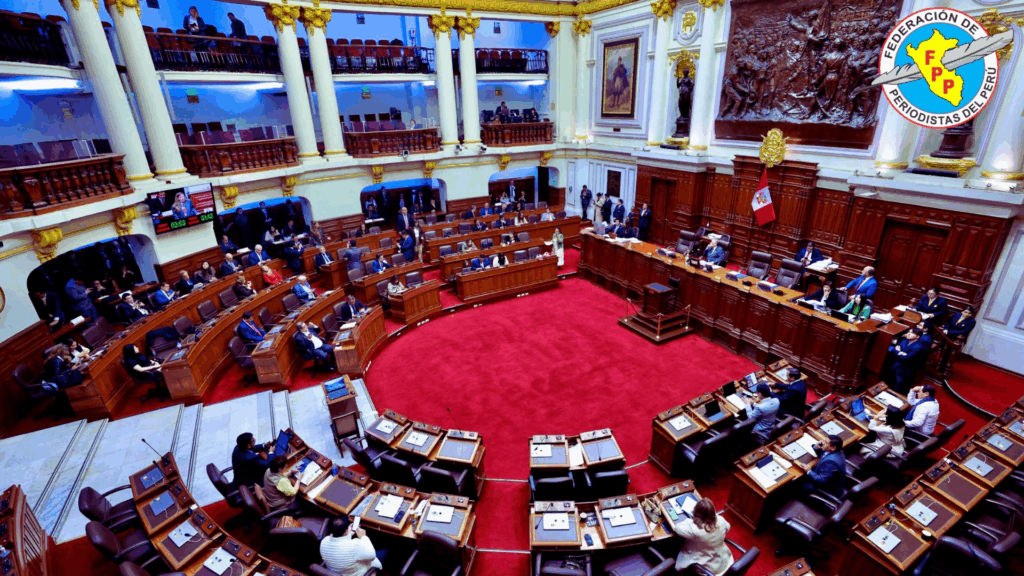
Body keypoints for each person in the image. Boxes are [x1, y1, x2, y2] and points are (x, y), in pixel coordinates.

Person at [673, 497, 734, 575]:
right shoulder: (721, 520)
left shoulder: (695, 530)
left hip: (709, 567)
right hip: (724, 561)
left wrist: (690, 520)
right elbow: (728, 527)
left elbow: (677, 528)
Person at [796, 435, 846, 499]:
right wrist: (816, 447)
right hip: (826, 477)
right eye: (824, 440)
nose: (822, 443)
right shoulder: (838, 451)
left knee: (797, 484)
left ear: (833, 448)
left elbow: (821, 480)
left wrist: (809, 471)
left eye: (825, 442)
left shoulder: (831, 462)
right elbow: (825, 454)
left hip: (826, 489)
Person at [887, 328, 929, 395]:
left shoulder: (918, 346)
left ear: (918, 336)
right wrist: (901, 353)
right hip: (895, 367)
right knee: (890, 386)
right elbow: (894, 350)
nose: (909, 333)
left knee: (898, 390)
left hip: (905, 372)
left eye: (912, 333)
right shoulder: (904, 341)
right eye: (909, 332)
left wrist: (898, 352)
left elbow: (907, 358)